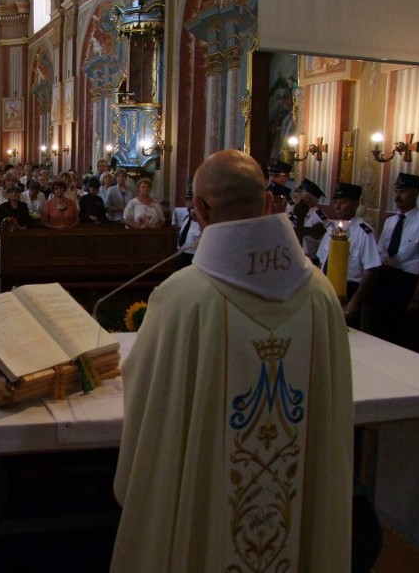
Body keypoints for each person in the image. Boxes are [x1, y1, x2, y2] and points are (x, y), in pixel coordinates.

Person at [113, 150, 352, 573]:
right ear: (267, 204)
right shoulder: (319, 294)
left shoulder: (183, 298)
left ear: (200, 210)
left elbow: (152, 408)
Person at [371, 172, 419, 353]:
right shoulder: (390, 222)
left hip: (407, 282)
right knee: (380, 327)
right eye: (396, 191)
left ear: (415, 194)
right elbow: (381, 254)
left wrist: (417, 297)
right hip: (387, 278)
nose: (398, 196)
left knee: (402, 333)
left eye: (403, 192)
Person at [316, 182, 381, 329]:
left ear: (355, 204)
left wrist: (355, 301)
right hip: (326, 288)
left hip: (348, 290)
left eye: (343, 202)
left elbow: (370, 269)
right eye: (336, 202)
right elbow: (321, 261)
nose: (337, 207)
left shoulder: (364, 232)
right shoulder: (330, 229)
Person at [293, 178, 328, 262]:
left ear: (307, 197)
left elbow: (323, 249)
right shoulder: (296, 214)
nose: (295, 196)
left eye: (299, 193)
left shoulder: (319, 218)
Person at [171, 184, 201, 268]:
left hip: (194, 255)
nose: (189, 202)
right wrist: (178, 247)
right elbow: (183, 234)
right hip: (184, 253)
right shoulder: (186, 218)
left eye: (191, 200)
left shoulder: (201, 220)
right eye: (187, 200)